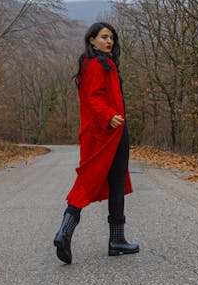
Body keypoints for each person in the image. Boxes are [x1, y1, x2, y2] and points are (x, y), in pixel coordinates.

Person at [53, 22, 139, 264]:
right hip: (107, 130)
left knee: (114, 181)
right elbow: (94, 97)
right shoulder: (95, 64)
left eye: (111, 37)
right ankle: (66, 232)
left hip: (112, 129)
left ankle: (116, 239)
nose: (108, 41)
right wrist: (108, 116)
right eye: (103, 37)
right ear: (91, 40)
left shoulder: (103, 63)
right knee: (91, 180)